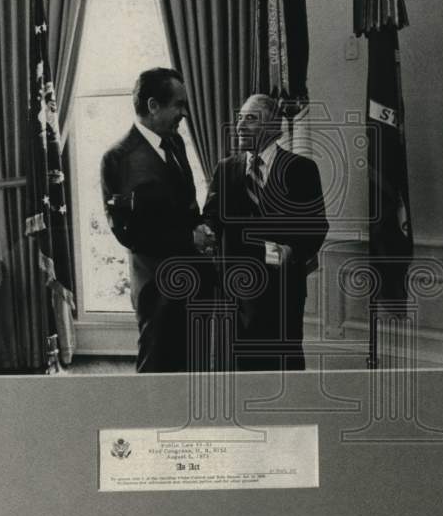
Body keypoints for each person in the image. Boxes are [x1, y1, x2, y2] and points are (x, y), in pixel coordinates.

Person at [101, 67, 215, 373]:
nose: (184, 113)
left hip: (194, 281)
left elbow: (186, 204)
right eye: (178, 105)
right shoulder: (118, 158)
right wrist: (188, 238)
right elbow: (128, 233)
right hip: (158, 291)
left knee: (193, 372)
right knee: (157, 375)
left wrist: (201, 227)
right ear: (153, 105)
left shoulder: (175, 143)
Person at [203, 94, 328, 372]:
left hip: (281, 293)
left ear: (272, 125)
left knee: (281, 371)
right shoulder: (226, 169)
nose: (239, 126)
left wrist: (291, 251)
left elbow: (316, 226)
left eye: (250, 119)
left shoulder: (301, 169)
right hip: (235, 295)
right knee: (236, 374)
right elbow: (211, 218)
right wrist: (205, 231)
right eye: (239, 118)